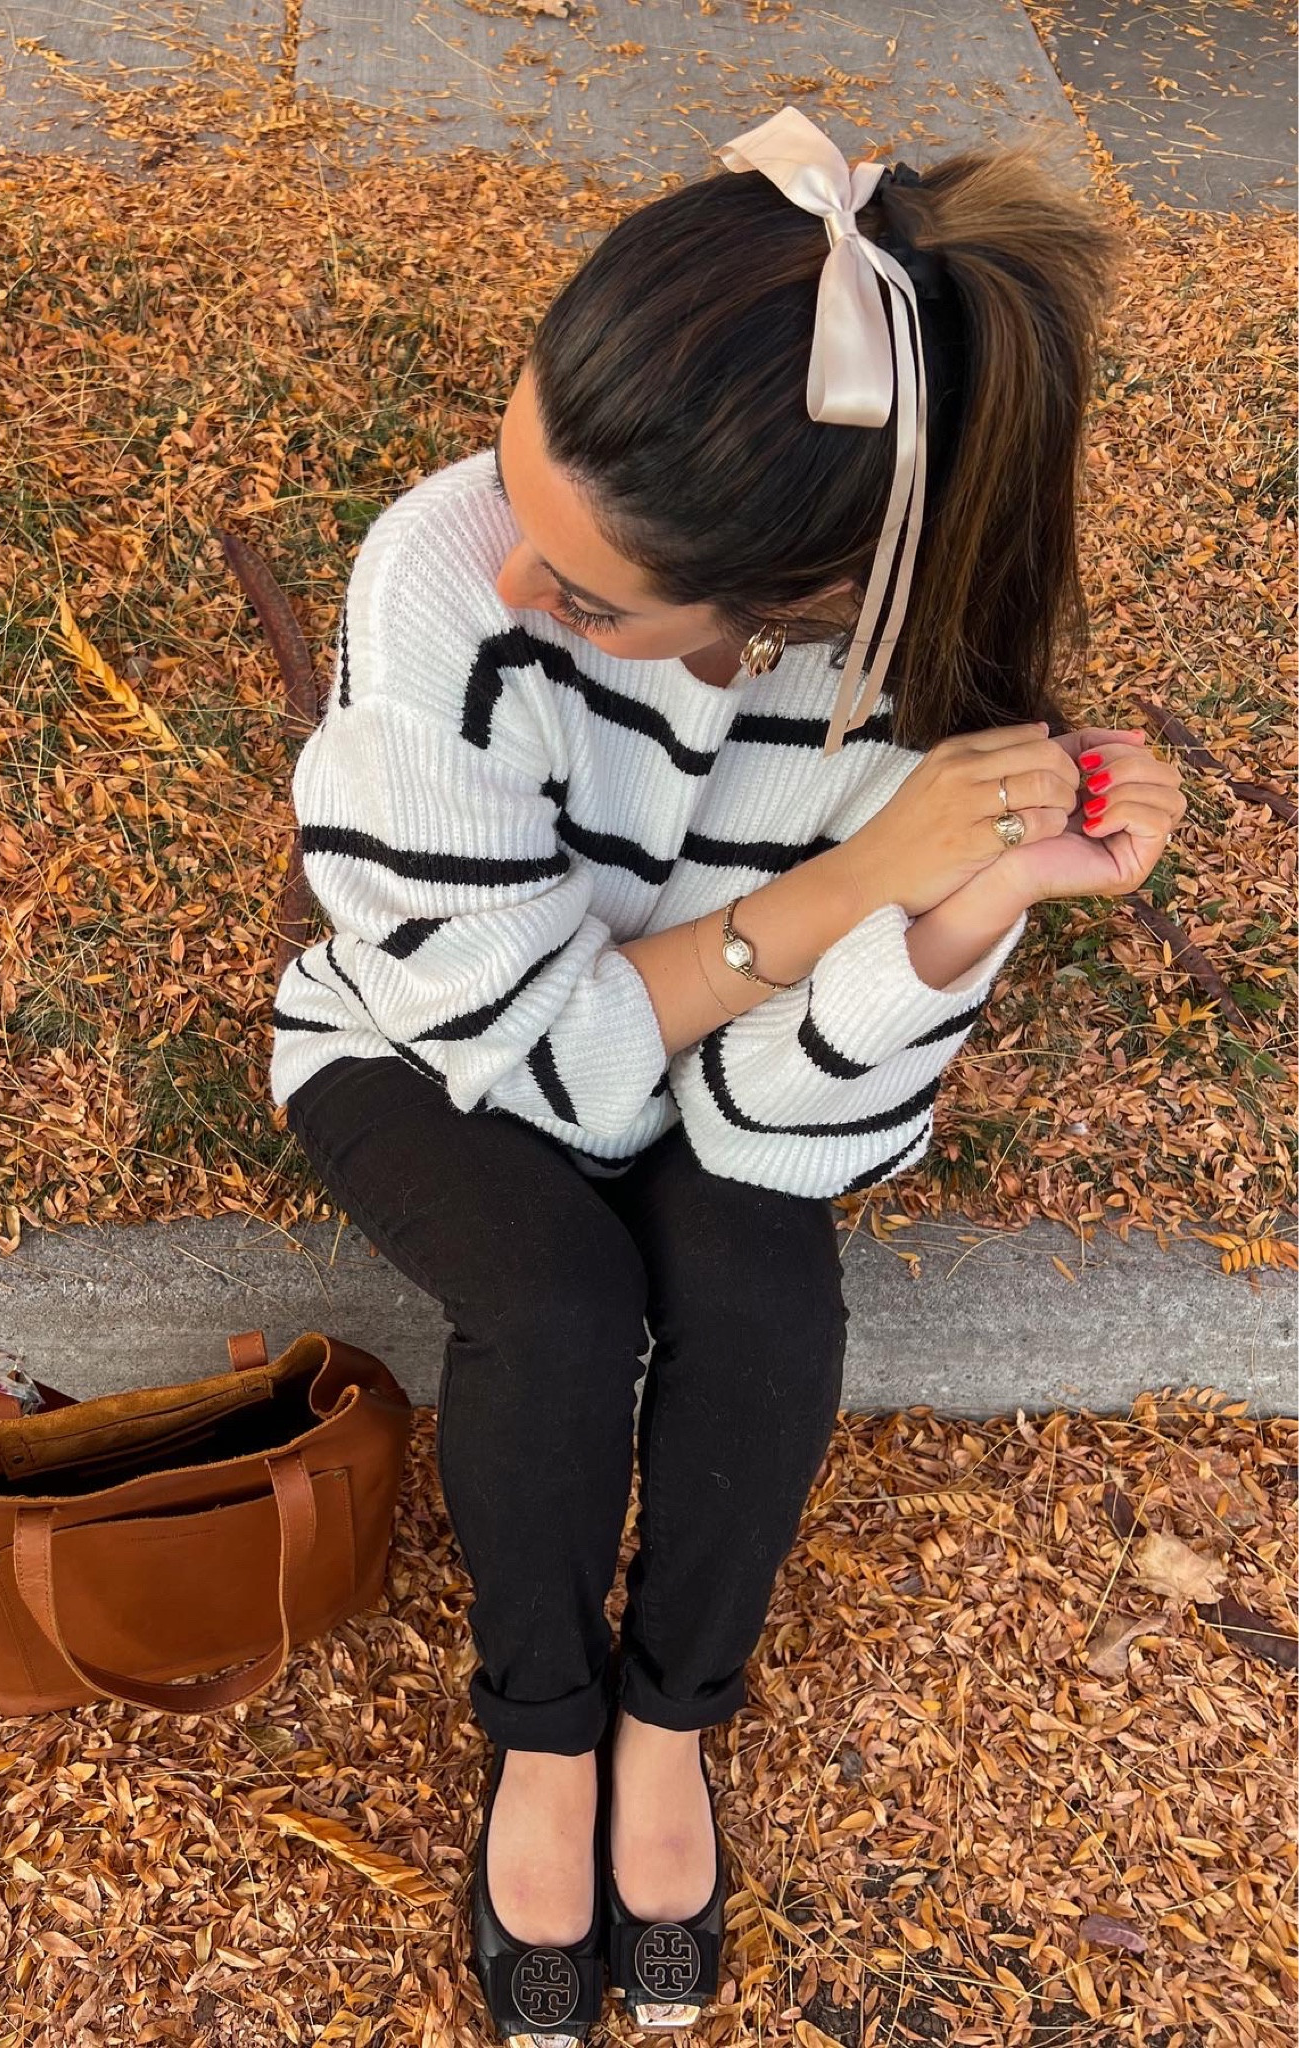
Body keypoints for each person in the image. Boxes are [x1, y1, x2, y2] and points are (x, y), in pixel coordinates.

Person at [267, 106, 1185, 2045]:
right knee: (556, 1288)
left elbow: (786, 1131)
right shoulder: (440, 578)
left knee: (762, 1305)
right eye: (514, 463)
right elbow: (507, 1055)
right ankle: (540, 1731)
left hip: (698, 1062)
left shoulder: (916, 694)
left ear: (781, 605)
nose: (517, 575)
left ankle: (671, 1716)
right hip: (420, 1043)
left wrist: (968, 896)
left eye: (597, 601)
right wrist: (859, 878)